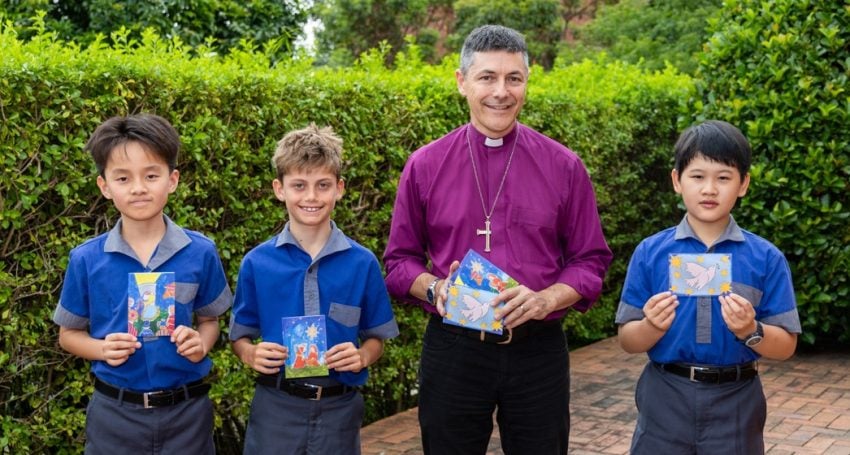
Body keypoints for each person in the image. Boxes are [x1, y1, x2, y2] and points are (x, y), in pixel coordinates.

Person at [383, 25, 612, 454]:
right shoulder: (425, 165)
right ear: (462, 82)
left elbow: (590, 261)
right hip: (454, 349)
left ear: (527, 83)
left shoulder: (564, 166)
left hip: (537, 350)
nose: (500, 92)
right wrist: (436, 288)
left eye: (514, 78)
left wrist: (546, 299)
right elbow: (399, 263)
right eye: (487, 77)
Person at [616, 120, 801, 454]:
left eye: (724, 178)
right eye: (698, 176)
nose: (709, 189)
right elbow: (628, 340)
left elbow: (786, 345)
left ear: (743, 184)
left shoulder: (766, 258)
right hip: (664, 394)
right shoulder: (650, 253)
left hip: (737, 399)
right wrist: (650, 326)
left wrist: (751, 330)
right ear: (677, 181)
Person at [52, 114, 233, 454]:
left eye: (151, 175)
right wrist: (102, 349)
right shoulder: (87, 259)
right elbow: (68, 335)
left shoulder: (200, 252)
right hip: (115, 415)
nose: (138, 187)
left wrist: (202, 342)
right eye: (123, 178)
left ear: (172, 180)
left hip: (188, 415)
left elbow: (210, 321)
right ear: (105, 186)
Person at [229, 123, 399, 455]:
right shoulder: (257, 263)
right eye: (299, 185)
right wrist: (249, 353)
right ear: (280, 189)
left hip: (340, 409)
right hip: (275, 407)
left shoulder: (362, 263)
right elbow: (239, 336)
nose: (311, 197)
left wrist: (363, 355)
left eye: (323, 185)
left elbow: (376, 337)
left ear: (339, 188)